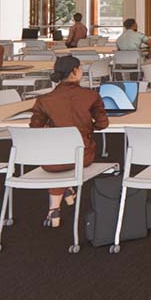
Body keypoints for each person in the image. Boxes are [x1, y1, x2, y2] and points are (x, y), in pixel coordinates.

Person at [28, 56, 109, 227]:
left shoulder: (44, 100)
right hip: (82, 157)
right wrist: (84, 126)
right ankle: (63, 195)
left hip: (50, 162)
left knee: (58, 156)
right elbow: (103, 124)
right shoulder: (91, 96)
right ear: (75, 71)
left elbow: (35, 129)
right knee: (70, 154)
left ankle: (54, 210)